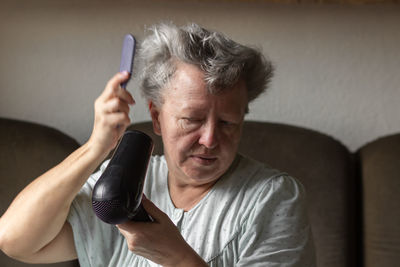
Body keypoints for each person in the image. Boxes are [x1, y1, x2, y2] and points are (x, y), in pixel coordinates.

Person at [0, 22, 315, 266]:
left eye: (227, 123)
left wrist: (178, 258)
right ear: (156, 117)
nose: (209, 140)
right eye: (191, 119)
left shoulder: (273, 199)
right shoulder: (126, 181)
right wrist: (95, 147)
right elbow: (14, 240)